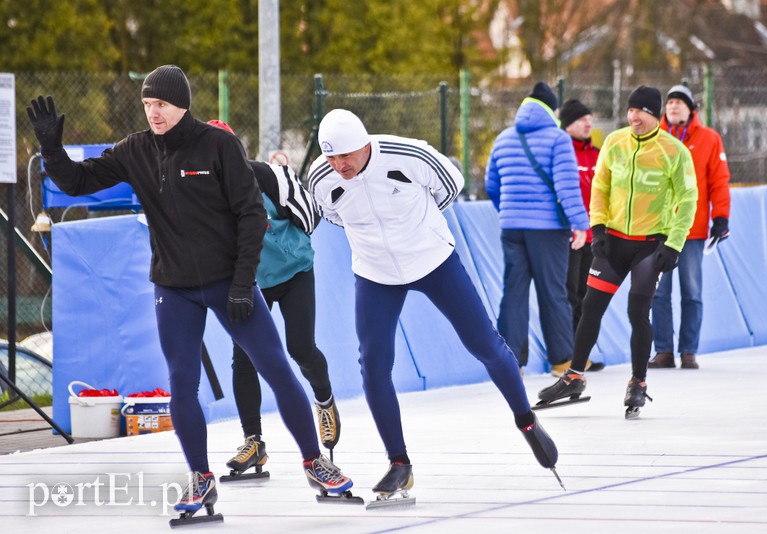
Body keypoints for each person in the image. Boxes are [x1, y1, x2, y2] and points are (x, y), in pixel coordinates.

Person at [25, 66, 354, 520]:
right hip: (174, 287)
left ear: (181, 105)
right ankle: (201, 478)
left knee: (275, 365)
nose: (153, 112)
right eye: (147, 105)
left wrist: (242, 284)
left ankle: (314, 462)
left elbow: (250, 216)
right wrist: (50, 148)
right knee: (182, 381)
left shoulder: (219, 146)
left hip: (226, 282)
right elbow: (77, 182)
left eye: (160, 104)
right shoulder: (135, 150)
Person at [307, 108, 560, 500]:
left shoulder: (409, 154)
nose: (339, 165)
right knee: (373, 365)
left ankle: (526, 421)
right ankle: (399, 463)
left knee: (485, 345)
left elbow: (450, 188)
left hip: (432, 260)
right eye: (331, 158)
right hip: (375, 273)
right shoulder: (321, 178)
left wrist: (416, 229)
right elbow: (333, 215)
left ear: (364, 144)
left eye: (346, 156)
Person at [538, 86, 698, 418]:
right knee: (590, 307)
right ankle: (574, 376)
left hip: (650, 245)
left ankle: (638, 382)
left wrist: (674, 244)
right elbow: (601, 187)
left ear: (655, 115)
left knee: (637, 312)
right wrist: (598, 228)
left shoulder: (674, 151)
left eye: (640, 111)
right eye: (630, 110)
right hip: (614, 240)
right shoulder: (614, 142)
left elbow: (688, 200)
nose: (633, 116)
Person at [206, 120, 341, 477]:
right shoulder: (203, 191)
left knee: (300, 349)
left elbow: (311, 217)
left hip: (293, 270)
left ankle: (324, 398)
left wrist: (289, 182)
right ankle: (253, 442)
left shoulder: (266, 176)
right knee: (245, 357)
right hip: (250, 281)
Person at [485, 82, 591, 377]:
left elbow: (492, 185)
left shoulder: (503, 138)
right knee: (553, 292)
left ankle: (511, 363)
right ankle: (562, 361)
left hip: (512, 227)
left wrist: (509, 210)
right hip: (548, 229)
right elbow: (567, 187)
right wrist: (580, 224)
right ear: (552, 110)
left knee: (514, 292)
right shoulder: (558, 139)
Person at [650, 85, 731, 370]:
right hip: (658, 229)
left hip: (692, 230)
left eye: (679, 103)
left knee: (691, 291)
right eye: (669, 102)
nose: (673, 107)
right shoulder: (652, 138)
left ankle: (688, 350)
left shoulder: (709, 139)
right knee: (658, 292)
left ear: (691, 109)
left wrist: (720, 217)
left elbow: (719, 181)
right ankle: (663, 350)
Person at [560, 100, 604, 366]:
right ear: (567, 125)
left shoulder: (598, 154)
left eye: (589, 118)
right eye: (581, 119)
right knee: (569, 293)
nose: (588, 124)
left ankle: (581, 354)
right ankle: (566, 354)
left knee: (587, 297)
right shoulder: (563, 153)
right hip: (569, 236)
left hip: (594, 236)